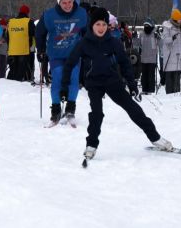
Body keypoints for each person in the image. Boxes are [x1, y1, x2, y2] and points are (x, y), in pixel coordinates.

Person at [61, 8, 172, 160]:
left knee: (133, 108)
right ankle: (91, 145)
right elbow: (69, 64)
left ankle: (155, 138)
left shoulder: (113, 42)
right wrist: (64, 87)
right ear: (92, 25)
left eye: (104, 25)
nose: (101, 28)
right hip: (93, 83)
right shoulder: (84, 43)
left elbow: (125, 64)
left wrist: (132, 85)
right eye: (98, 24)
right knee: (97, 114)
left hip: (112, 81)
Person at [35, 0, 88, 125]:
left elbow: (88, 31)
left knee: (73, 80)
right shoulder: (49, 15)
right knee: (57, 79)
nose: (68, 5)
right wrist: (40, 49)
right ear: (59, 3)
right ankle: (56, 110)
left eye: (70, 2)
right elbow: (40, 32)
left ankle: (70, 109)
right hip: (56, 54)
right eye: (64, 3)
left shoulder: (81, 13)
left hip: (74, 54)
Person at [7, 4, 35, 81]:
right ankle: (18, 88)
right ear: (27, 13)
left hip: (12, 50)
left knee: (12, 71)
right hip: (23, 50)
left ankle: (8, 87)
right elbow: (33, 33)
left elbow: (7, 36)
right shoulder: (29, 21)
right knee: (21, 72)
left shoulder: (11, 21)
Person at [162, 8, 181, 94]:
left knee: (176, 83)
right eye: (180, 19)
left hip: (178, 58)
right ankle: (169, 98)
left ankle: (176, 97)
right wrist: (172, 38)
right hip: (169, 58)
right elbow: (165, 40)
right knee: (170, 82)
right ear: (175, 19)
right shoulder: (167, 27)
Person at [139, 18, 159, 94]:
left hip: (152, 59)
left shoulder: (155, 34)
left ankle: (150, 90)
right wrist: (134, 37)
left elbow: (161, 44)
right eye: (145, 25)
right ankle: (144, 89)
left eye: (148, 25)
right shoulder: (141, 34)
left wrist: (158, 37)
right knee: (144, 75)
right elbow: (138, 44)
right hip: (143, 58)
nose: (146, 27)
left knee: (151, 75)